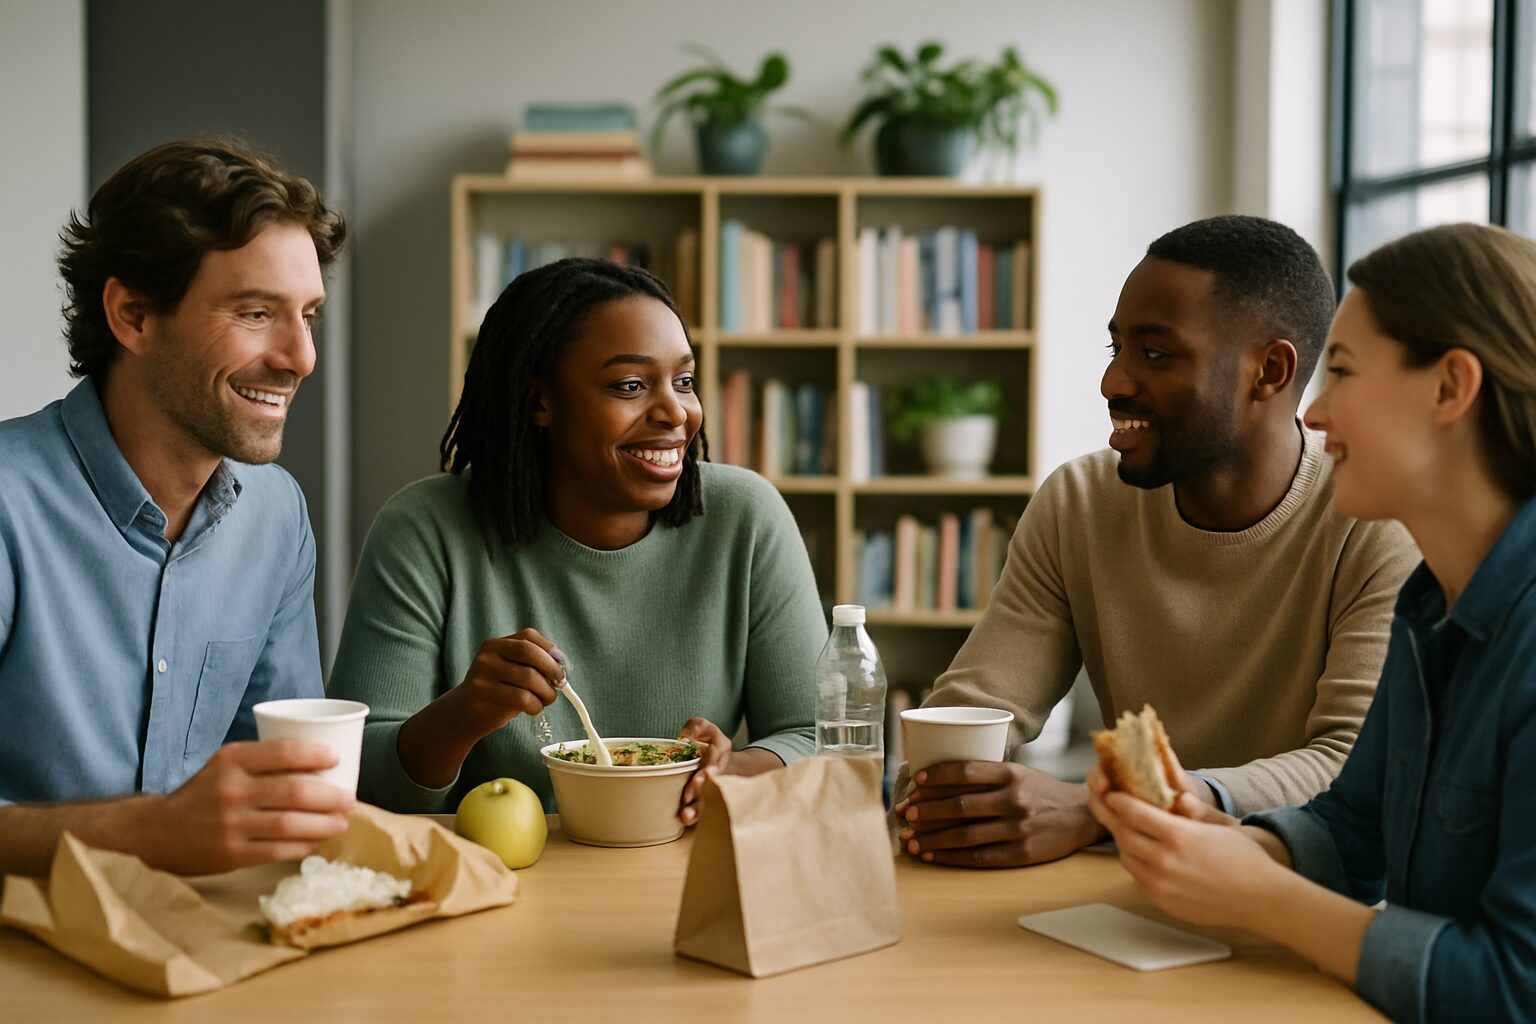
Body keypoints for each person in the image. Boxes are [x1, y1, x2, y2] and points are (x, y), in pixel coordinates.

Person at [1088, 222, 1536, 1023]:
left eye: (1345, 371)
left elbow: (1512, 986)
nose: (1317, 410)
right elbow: (1353, 830)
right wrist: (1227, 842)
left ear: (1450, 388)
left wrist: (1262, 897)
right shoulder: (1431, 602)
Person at [897, 215, 1420, 868]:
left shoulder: (1371, 520)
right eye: (1115, 348)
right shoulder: (1077, 503)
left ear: (1269, 371)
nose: (1113, 383)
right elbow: (974, 711)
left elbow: (1347, 768)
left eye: (1156, 353)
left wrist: (1104, 810)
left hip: (1294, 899)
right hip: (1130, 895)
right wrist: (943, 787)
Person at [328, 258, 825, 822]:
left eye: (683, 381)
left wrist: (728, 771)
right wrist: (463, 713)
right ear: (541, 402)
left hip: (684, 879)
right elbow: (359, 779)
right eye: (631, 385)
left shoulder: (747, 519)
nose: (675, 413)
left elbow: (816, 736)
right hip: (499, 884)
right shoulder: (423, 531)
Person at [0, 138, 354, 876]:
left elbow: (281, 773)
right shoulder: (9, 502)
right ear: (131, 314)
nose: (301, 357)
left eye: (309, 315)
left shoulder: (276, 516)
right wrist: (149, 834)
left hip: (202, 941)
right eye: (257, 312)